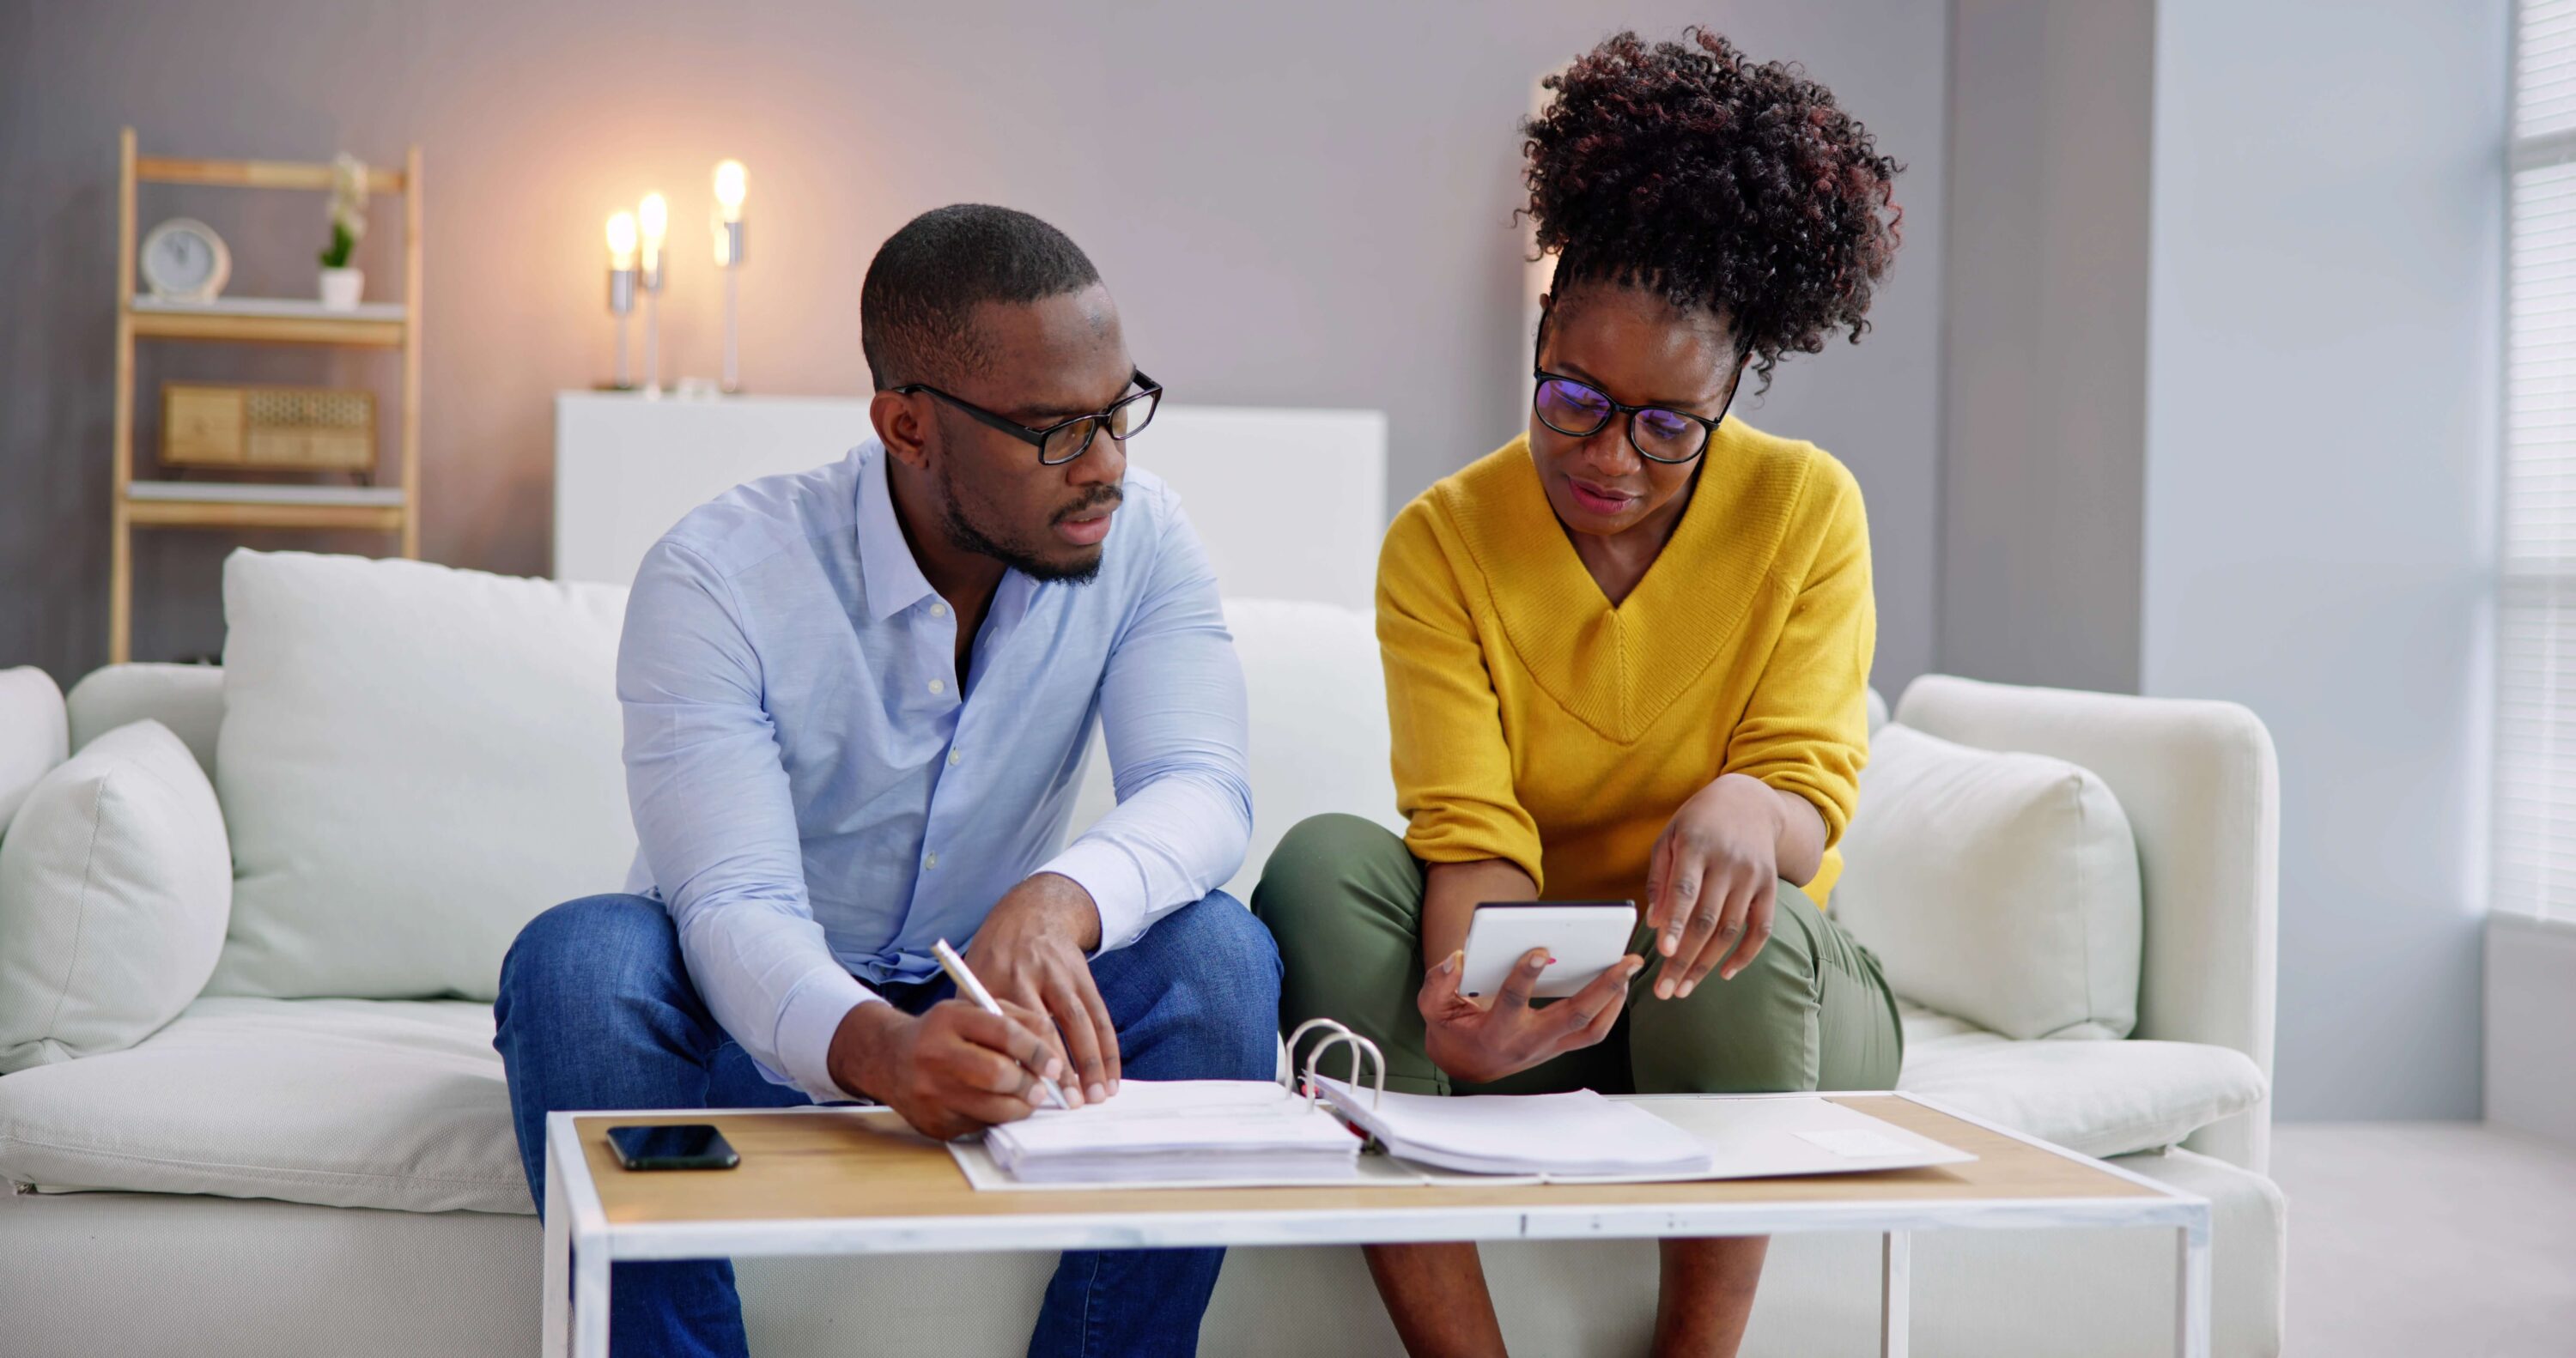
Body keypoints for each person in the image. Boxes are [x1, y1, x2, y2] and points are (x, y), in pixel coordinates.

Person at [494, 203, 1281, 1358]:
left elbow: (1205, 785)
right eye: (1056, 429)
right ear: (908, 426)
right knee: (580, 962)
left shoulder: (1143, 540)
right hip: (751, 1023)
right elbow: (732, 904)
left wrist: (1059, 899)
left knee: (1221, 954)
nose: (1107, 463)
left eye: (1119, 411)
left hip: (999, 1016)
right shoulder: (721, 576)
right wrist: (880, 1050)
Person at [1252, 28, 1906, 1358]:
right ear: (1539, 336)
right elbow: (1469, 829)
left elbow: (1811, 802)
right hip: (1546, 987)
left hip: (1753, 1003)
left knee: (1744, 917)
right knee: (1321, 867)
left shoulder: (1806, 510)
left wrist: (1747, 801)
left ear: (1731, 392)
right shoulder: (1442, 541)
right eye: (1575, 399)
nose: (1612, 456)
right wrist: (1471, 998)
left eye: (1669, 424)